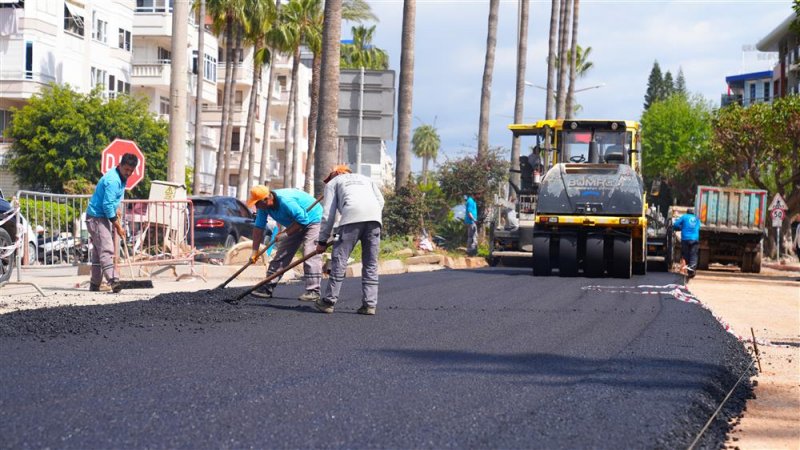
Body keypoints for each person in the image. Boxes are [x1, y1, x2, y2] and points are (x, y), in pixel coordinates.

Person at [313, 165, 385, 315]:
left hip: (351, 219)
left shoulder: (333, 183)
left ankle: (328, 301)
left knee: (340, 260)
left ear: (335, 174)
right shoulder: (366, 179)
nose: (329, 180)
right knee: (371, 263)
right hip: (374, 220)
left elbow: (328, 215)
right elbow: (381, 201)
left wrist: (322, 241)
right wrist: (370, 215)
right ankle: (369, 305)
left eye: (330, 177)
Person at [246, 185, 323, 301]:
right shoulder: (263, 207)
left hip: (313, 219)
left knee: (309, 253)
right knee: (282, 253)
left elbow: (303, 220)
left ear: (267, 199)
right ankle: (267, 287)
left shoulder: (286, 201)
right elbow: (259, 227)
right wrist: (254, 251)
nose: (256, 207)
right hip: (296, 222)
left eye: (257, 203)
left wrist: (285, 234)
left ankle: (313, 291)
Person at [85, 153, 139, 292]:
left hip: (101, 216)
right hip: (96, 218)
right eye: (126, 169)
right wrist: (118, 226)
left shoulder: (122, 178)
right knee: (107, 248)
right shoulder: (113, 180)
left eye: (131, 171)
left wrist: (117, 209)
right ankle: (114, 281)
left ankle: (95, 284)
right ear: (120, 165)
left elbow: (114, 200)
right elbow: (107, 206)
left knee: (98, 252)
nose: (128, 173)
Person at [673, 207, 701, 278]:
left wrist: (681, 227)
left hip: (685, 239)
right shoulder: (697, 219)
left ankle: (689, 270)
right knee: (693, 255)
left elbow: (675, 224)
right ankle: (692, 270)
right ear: (693, 213)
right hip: (694, 239)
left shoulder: (684, 217)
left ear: (687, 212)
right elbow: (698, 227)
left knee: (686, 255)